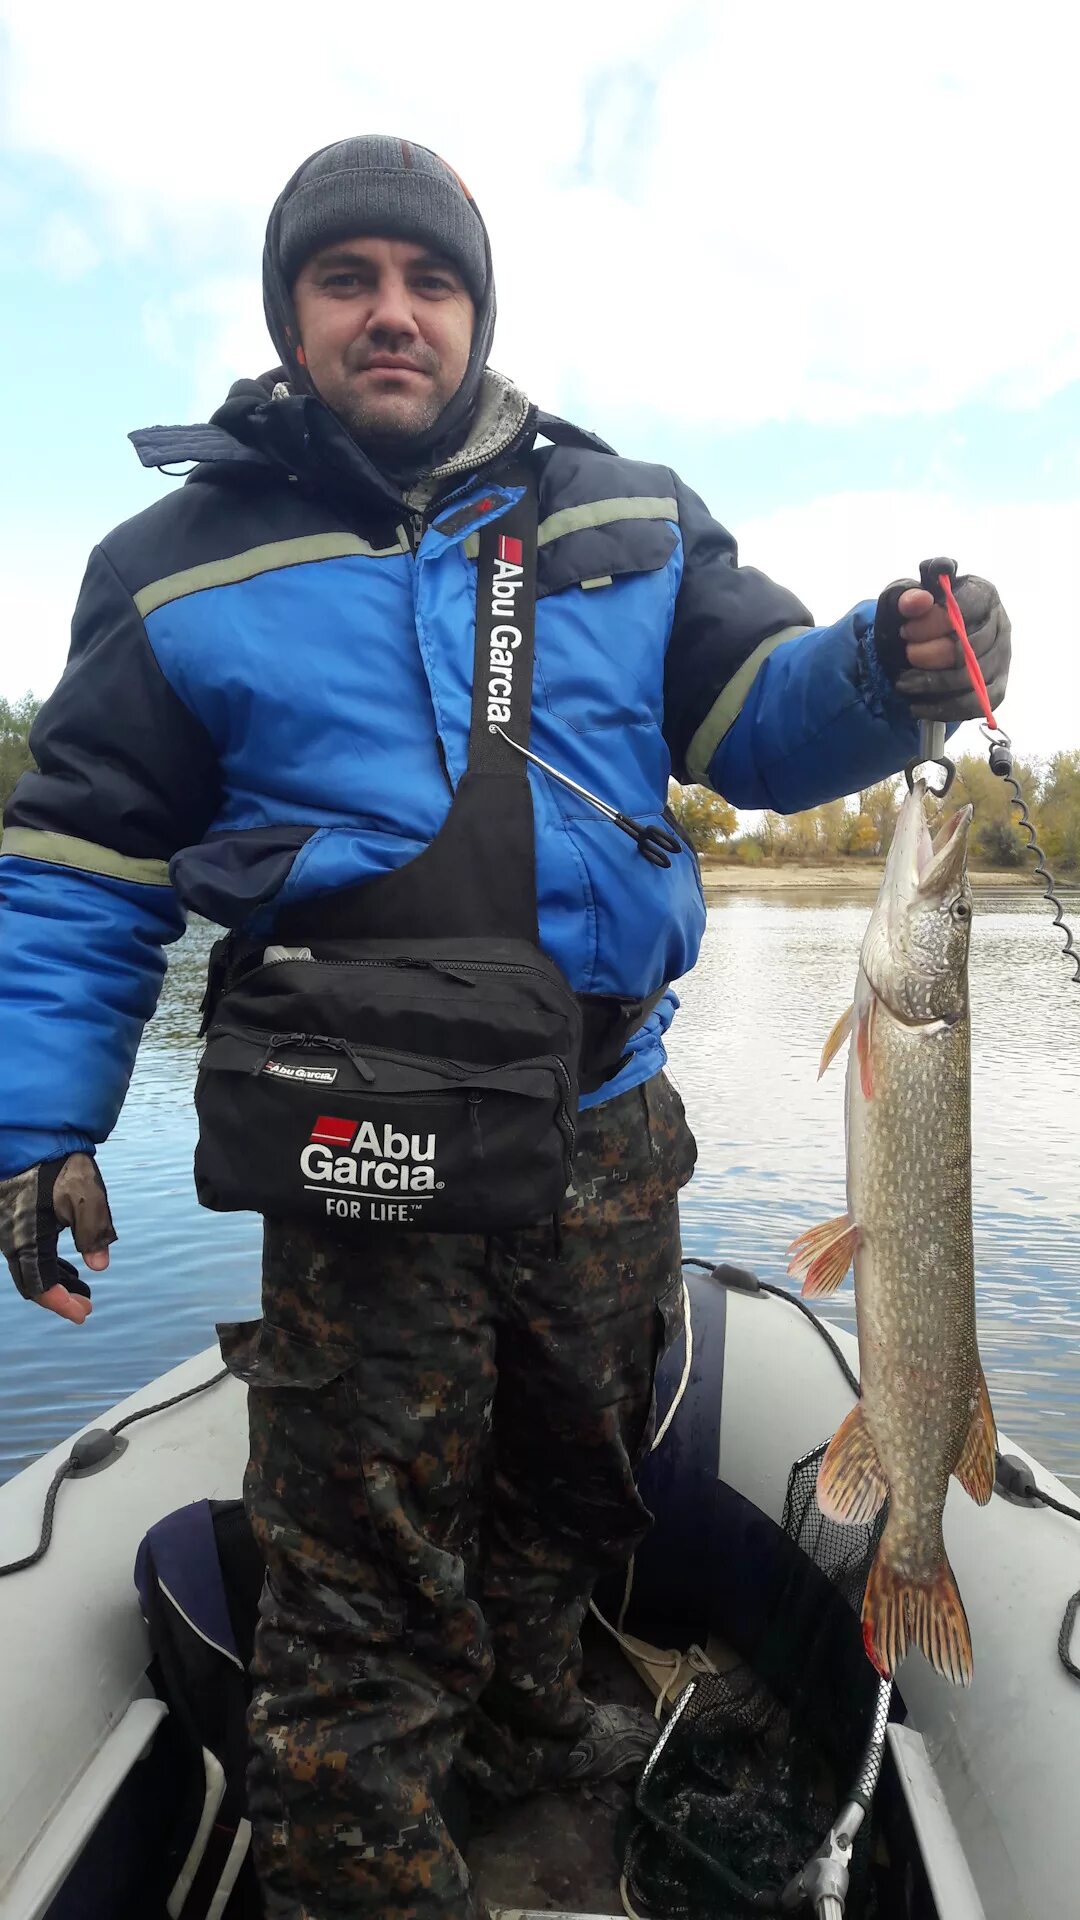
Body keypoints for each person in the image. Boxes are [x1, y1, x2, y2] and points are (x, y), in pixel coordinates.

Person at [0, 137, 1010, 1920]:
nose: (394, 311)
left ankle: (536, 1729)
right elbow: (82, 865)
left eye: (430, 280)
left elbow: (763, 720)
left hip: (602, 1118)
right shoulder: (174, 563)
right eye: (348, 279)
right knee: (363, 1568)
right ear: (292, 315)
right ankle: (365, 1870)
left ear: (473, 312)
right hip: (350, 1130)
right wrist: (34, 1120)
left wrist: (889, 669)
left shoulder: (622, 513)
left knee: (579, 1476)